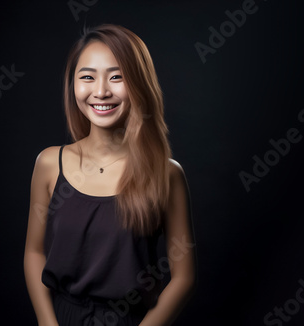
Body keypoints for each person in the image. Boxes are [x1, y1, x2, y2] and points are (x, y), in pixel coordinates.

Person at [24, 24, 197, 326]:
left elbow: (183, 277)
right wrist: (46, 322)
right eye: (87, 76)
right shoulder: (50, 163)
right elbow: (34, 251)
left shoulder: (167, 174)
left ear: (139, 83)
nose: (101, 91)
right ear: (73, 85)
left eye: (117, 76)